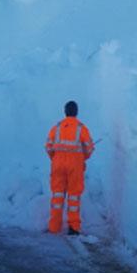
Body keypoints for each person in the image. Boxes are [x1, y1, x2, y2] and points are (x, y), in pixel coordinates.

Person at [44, 101, 95, 235]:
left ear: (65, 112)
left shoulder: (57, 128)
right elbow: (89, 148)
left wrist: (55, 158)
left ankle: (54, 227)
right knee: (74, 195)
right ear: (76, 112)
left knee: (57, 195)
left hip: (58, 164)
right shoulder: (81, 128)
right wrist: (83, 157)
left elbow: (48, 146)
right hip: (75, 165)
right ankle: (73, 227)